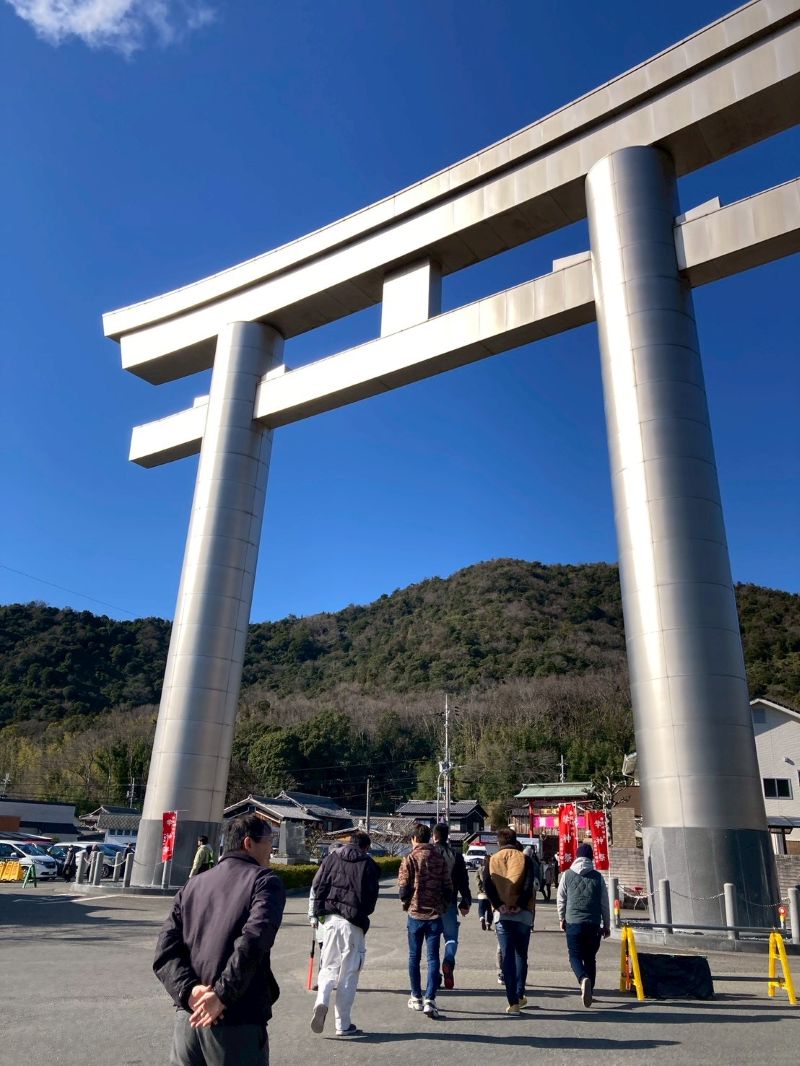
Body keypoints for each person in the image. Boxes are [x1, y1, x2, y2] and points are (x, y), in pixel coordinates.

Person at [153, 814, 286, 1065]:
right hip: (236, 1020)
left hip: (189, 1018)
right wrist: (221, 995)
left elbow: (165, 951)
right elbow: (254, 941)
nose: (273, 848)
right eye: (270, 840)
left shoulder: (192, 886)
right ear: (249, 843)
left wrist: (189, 990)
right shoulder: (264, 882)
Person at [309, 831, 379, 1038]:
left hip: (330, 921)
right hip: (353, 923)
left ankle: (321, 1000)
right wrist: (362, 912)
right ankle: (343, 1024)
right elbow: (371, 896)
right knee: (348, 973)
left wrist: (319, 911)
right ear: (366, 847)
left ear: (350, 843)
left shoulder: (332, 857)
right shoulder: (368, 864)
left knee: (328, 965)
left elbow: (317, 884)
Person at [398, 822, 452, 1020]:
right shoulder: (439, 858)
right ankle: (430, 998)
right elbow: (448, 888)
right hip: (435, 915)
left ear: (414, 839)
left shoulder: (409, 859)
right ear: (429, 838)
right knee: (432, 958)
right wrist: (443, 905)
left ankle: (416, 996)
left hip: (415, 914)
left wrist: (407, 901)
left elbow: (403, 890)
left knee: (414, 957)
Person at [483, 828, 536, 1015]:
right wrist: (520, 905)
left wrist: (498, 904)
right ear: (515, 841)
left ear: (499, 842)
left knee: (507, 956)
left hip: (502, 915)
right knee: (521, 955)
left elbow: (487, 884)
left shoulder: (491, 859)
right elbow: (530, 884)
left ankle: (512, 1002)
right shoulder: (525, 858)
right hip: (523, 914)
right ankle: (521, 994)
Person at [556, 841, 610, 1008]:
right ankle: (590, 991)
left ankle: (582, 978)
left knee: (574, 956)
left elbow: (561, 899)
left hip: (573, 921)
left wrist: (561, 918)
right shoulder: (598, 877)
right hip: (593, 923)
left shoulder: (567, 875)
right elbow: (604, 903)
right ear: (591, 858)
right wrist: (606, 924)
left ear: (577, 857)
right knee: (590, 958)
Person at [432, 823, 471, 988]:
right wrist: (466, 900)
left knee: (432, 941)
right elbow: (463, 881)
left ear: (434, 836)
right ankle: (448, 960)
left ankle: (435, 976)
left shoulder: (428, 853)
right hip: (449, 903)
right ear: (448, 836)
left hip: (430, 904)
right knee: (451, 938)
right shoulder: (455, 855)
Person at [475, 862, 493, 931]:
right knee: (490, 910)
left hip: (481, 894)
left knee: (481, 909)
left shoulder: (479, 870)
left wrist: (480, 890)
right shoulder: (491, 869)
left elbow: (477, 881)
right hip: (490, 894)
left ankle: (482, 918)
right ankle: (488, 924)